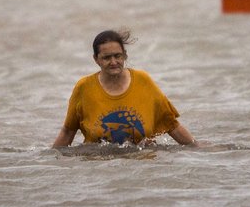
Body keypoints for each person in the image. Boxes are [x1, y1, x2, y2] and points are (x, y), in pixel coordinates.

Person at [52, 29, 197, 147]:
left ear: (125, 56)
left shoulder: (143, 81)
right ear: (96, 59)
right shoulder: (83, 88)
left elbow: (171, 125)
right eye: (107, 57)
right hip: (98, 169)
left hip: (143, 168)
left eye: (118, 56)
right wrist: (50, 161)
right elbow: (67, 132)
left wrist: (197, 148)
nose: (113, 62)